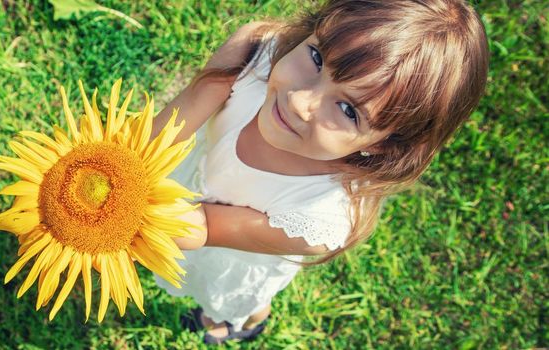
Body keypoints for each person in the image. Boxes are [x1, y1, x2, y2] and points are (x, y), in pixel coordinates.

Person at [147, 0, 489, 345]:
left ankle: (246, 321)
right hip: (184, 200)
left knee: (229, 296)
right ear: (312, 28)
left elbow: (205, 226)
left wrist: (120, 220)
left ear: (385, 145)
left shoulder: (320, 220)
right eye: (316, 57)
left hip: (231, 245)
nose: (300, 102)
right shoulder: (250, 53)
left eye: (347, 110)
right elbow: (160, 136)